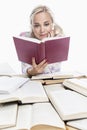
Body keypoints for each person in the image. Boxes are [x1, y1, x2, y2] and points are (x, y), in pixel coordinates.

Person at [20, 5, 64, 77]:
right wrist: (32, 72)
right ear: (32, 26)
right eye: (37, 25)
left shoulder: (59, 39)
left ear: (52, 24)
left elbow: (53, 71)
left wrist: (49, 41)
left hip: (53, 82)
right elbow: (25, 69)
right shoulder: (25, 38)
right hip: (30, 82)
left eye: (46, 24)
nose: (42, 30)